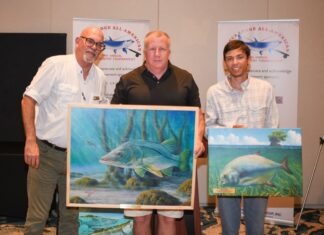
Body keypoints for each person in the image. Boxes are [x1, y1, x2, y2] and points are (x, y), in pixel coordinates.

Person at [111, 30, 205, 235]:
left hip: (168, 159)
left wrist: (198, 138)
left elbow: (199, 115)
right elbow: (114, 116)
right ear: (144, 51)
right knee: (141, 217)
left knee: (168, 217)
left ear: (169, 51)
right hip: (138, 160)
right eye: (152, 49)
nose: (157, 53)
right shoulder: (128, 80)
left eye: (161, 49)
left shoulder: (185, 78)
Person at [21, 26, 107, 235]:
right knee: (37, 219)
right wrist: (30, 141)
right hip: (46, 156)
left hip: (78, 159)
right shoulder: (56, 65)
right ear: (78, 41)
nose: (94, 48)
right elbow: (28, 100)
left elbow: (98, 118)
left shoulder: (101, 78)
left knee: (71, 220)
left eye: (99, 44)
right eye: (90, 41)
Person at [205, 40, 279, 235]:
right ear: (224, 63)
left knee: (256, 225)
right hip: (228, 164)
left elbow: (273, 126)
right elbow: (208, 129)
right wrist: (231, 130)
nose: (235, 62)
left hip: (257, 165)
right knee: (229, 227)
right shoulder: (214, 92)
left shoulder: (266, 89)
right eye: (229, 59)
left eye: (239, 57)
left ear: (249, 60)